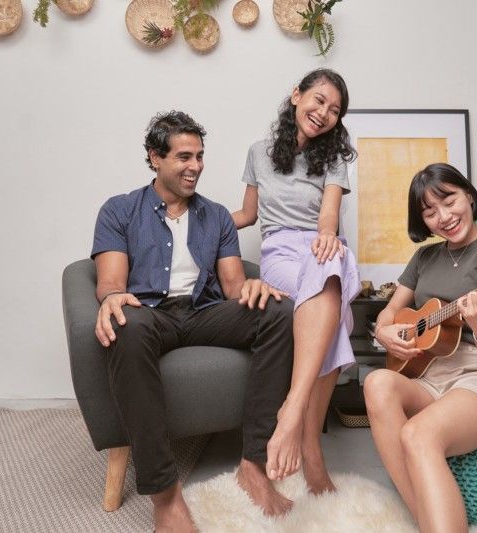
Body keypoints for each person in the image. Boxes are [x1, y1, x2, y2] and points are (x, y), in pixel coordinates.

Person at [91, 111, 296, 531]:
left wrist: (253, 292)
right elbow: (110, 281)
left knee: (277, 311)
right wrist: (113, 298)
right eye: (184, 156)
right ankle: (165, 496)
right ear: (155, 157)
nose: (196, 166)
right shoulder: (120, 210)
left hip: (203, 312)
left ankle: (253, 465)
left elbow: (234, 286)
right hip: (149, 315)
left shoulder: (217, 216)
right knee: (125, 324)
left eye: (200, 156)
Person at [363, 163, 477, 532]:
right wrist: (383, 333)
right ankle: (429, 521)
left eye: (448, 200)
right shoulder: (424, 258)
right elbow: (388, 314)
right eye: (429, 211)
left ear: (467, 194)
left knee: (417, 434)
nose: (444, 217)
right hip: (429, 372)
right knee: (375, 383)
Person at [232, 68, 361, 493]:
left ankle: (291, 411)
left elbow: (329, 215)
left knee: (331, 265)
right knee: (336, 318)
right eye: (318, 100)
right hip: (281, 252)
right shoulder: (258, 152)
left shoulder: (334, 158)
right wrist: (199, 220)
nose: (324, 113)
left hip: (323, 247)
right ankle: (311, 447)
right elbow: (248, 215)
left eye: (334, 110)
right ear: (296, 96)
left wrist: (327, 238)